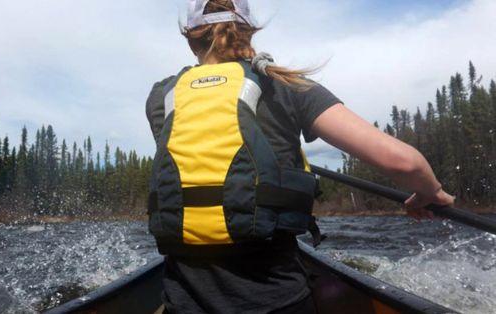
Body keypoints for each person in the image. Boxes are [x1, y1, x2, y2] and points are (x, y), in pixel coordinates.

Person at [145, 0, 455, 313]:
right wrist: (430, 192)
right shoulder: (285, 85)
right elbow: (403, 162)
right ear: (249, 32)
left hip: (183, 304)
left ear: (190, 39)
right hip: (280, 301)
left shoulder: (161, 96)